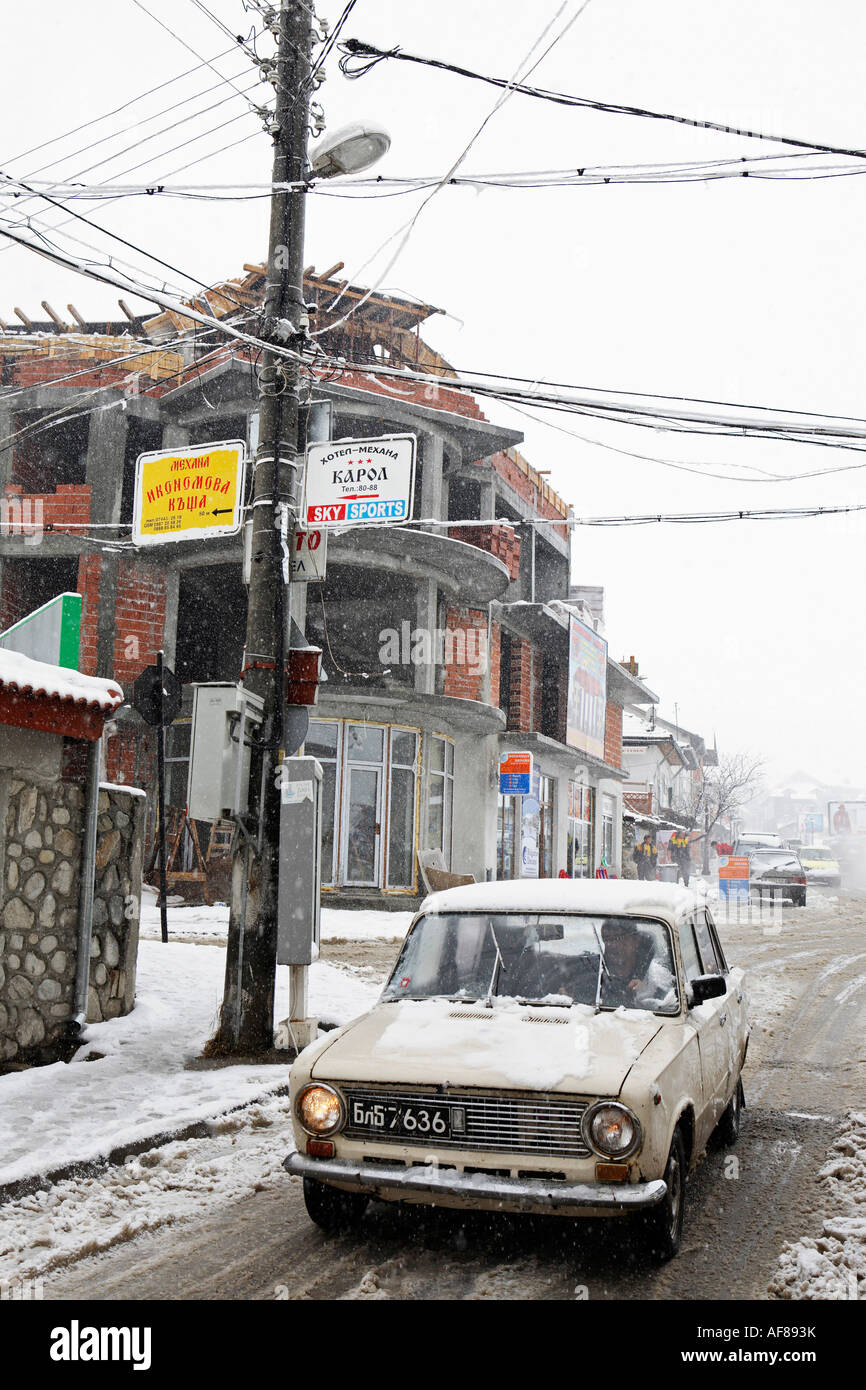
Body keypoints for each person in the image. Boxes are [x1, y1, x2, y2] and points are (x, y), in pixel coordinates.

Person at [599, 918, 670, 1010]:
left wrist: (647, 992)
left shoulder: (656, 974)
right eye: (607, 939)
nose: (612, 945)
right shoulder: (597, 973)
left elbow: (668, 1004)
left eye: (619, 938)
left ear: (636, 940)